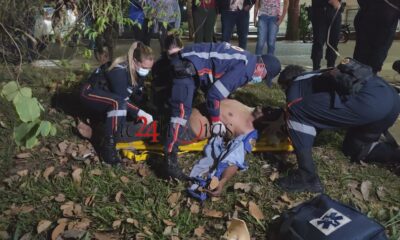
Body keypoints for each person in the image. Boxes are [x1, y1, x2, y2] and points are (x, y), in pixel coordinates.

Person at [161, 34, 282, 179]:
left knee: (173, 108)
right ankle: (169, 162)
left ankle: (162, 120)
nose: (260, 79)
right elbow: (214, 94)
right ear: (261, 66)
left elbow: (213, 79)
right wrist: (216, 120)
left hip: (189, 61)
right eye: (263, 76)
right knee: (180, 115)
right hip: (186, 68)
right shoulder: (246, 69)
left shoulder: (246, 58)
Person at [276, 59, 400, 193]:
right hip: (390, 98)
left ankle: (307, 177)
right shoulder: (318, 75)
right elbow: (320, 115)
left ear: (287, 83)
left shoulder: (295, 85)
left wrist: (293, 142)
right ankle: (395, 154)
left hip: (368, 102)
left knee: (294, 110)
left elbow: (300, 116)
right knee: (354, 150)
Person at [80, 42, 155, 165]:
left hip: (107, 97)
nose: (147, 71)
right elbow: (122, 99)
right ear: (135, 61)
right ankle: (107, 148)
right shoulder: (118, 70)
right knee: (118, 104)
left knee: (125, 108)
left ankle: (110, 132)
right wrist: (140, 112)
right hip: (89, 93)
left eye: (149, 68)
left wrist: (148, 109)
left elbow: (136, 95)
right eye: (145, 67)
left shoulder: (136, 72)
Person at [353, 0, 400, 73]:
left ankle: (360, 78)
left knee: (363, 54)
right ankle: (368, 78)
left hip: (368, 17)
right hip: (384, 21)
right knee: (374, 55)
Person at [310, 0, 343, 70]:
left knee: (334, 42)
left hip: (335, 12)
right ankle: (316, 68)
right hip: (320, 11)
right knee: (318, 42)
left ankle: (331, 67)